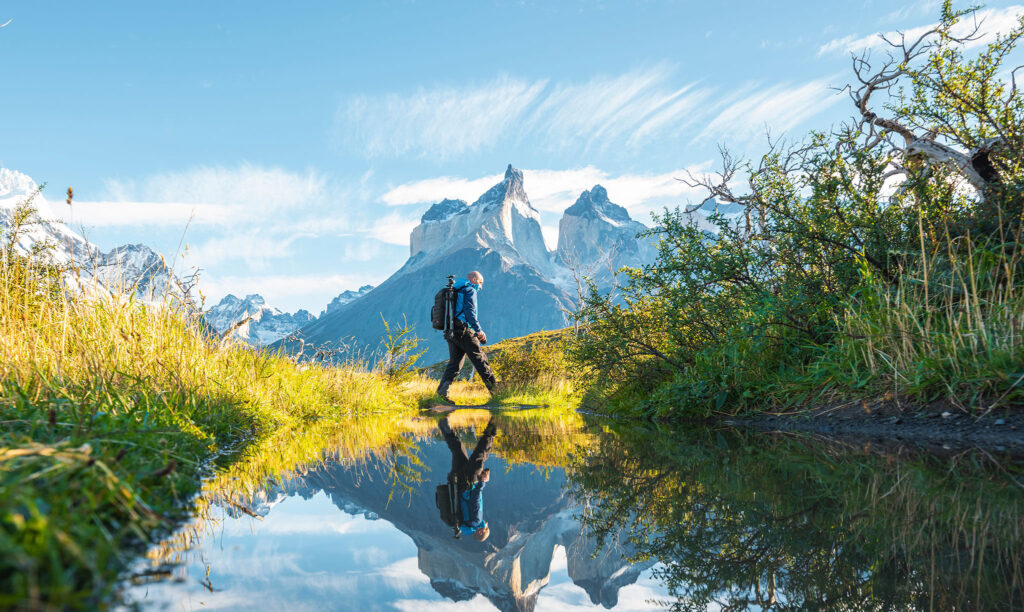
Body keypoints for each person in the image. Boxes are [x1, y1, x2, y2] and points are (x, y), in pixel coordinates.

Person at [436, 271, 497, 404]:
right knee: (480, 360)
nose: (480, 287)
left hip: (451, 331)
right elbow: (469, 311)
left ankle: (441, 395)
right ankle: (497, 393)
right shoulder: (469, 290)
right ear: (474, 279)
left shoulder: (454, 290)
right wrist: (479, 330)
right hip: (464, 331)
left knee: (454, 364)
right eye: (480, 283)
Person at [439, 416, 496, 542]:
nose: (485, 525)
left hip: (469, 481)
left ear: (480, 531)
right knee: (457, 449)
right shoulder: (462, 525)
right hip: (455, 481)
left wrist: (482, 482)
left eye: (486, 528)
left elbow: (474, 500)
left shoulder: (476, 522)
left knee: (481, 453)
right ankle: (442, 423)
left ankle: (495, 422)